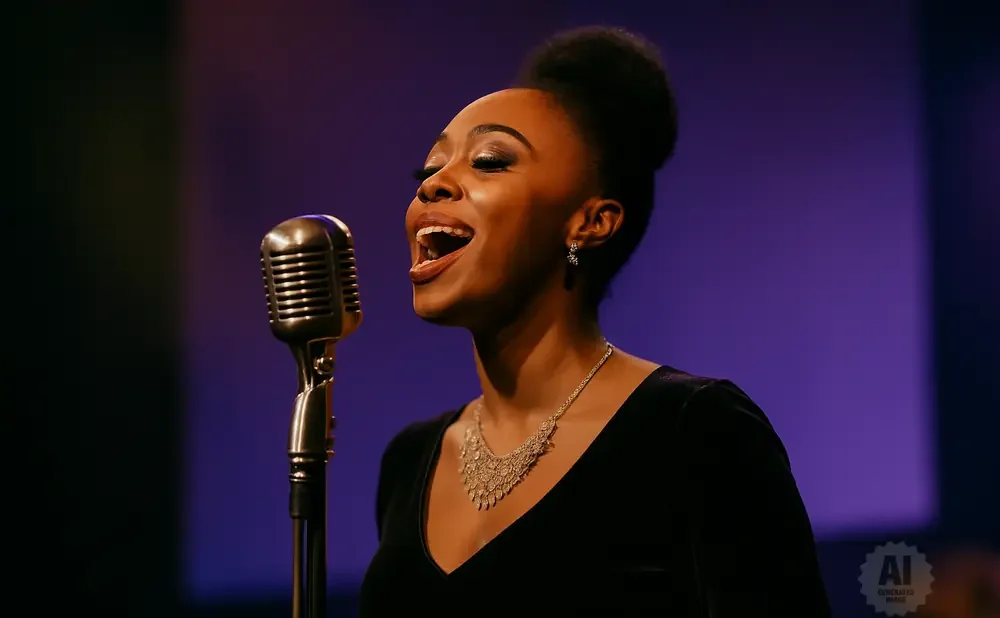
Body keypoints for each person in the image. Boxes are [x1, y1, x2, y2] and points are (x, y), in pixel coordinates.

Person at [359, 26, 831, 616]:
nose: (433, 184)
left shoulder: (695, 430)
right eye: (428, 169)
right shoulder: (410, 461)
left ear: (591, 222)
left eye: (490, 161)